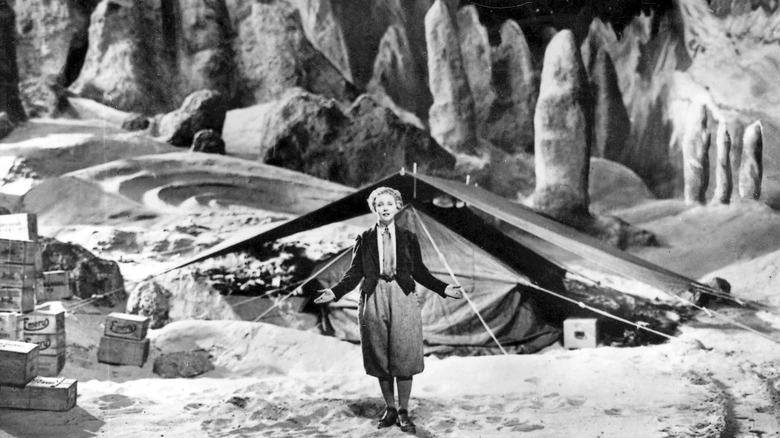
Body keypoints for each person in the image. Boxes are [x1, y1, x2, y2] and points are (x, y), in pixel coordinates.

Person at [314, 186, 463, 434]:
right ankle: (390, 408)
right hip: (373, 296)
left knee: (404, 354)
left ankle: (404, 410)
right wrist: (335, 292)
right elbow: (354, 272)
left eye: (389, 204)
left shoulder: (409, 237)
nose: (384, 208)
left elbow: (420, 272)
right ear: (374, 208)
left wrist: (444, 288)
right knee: (380, 355)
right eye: (379, 204)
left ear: (397, 207)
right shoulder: (364, 238)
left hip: (402, 295)